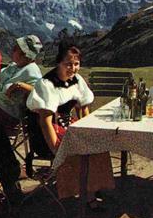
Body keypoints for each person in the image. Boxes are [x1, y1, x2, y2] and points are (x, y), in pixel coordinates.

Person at [26, 44, 113, 199]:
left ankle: (95, 185)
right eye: (68, 64)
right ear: (58, 63)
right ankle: (86, 194)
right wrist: (56, 149)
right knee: (81, 149)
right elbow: (45, 121)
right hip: (46, 133)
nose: (73, 68)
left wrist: (88, 131)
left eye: (76, 64)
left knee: (99, 143)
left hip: (66, 126)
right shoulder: (46, 84)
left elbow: (83, 108)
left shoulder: (77, 79)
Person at [0, 35, 44, 202]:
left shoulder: (31, 70)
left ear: (26, 55)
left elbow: (41, 91)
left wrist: (21, 85)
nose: (12, 50)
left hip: (7, 117)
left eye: (16, 49)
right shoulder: (13, 66)